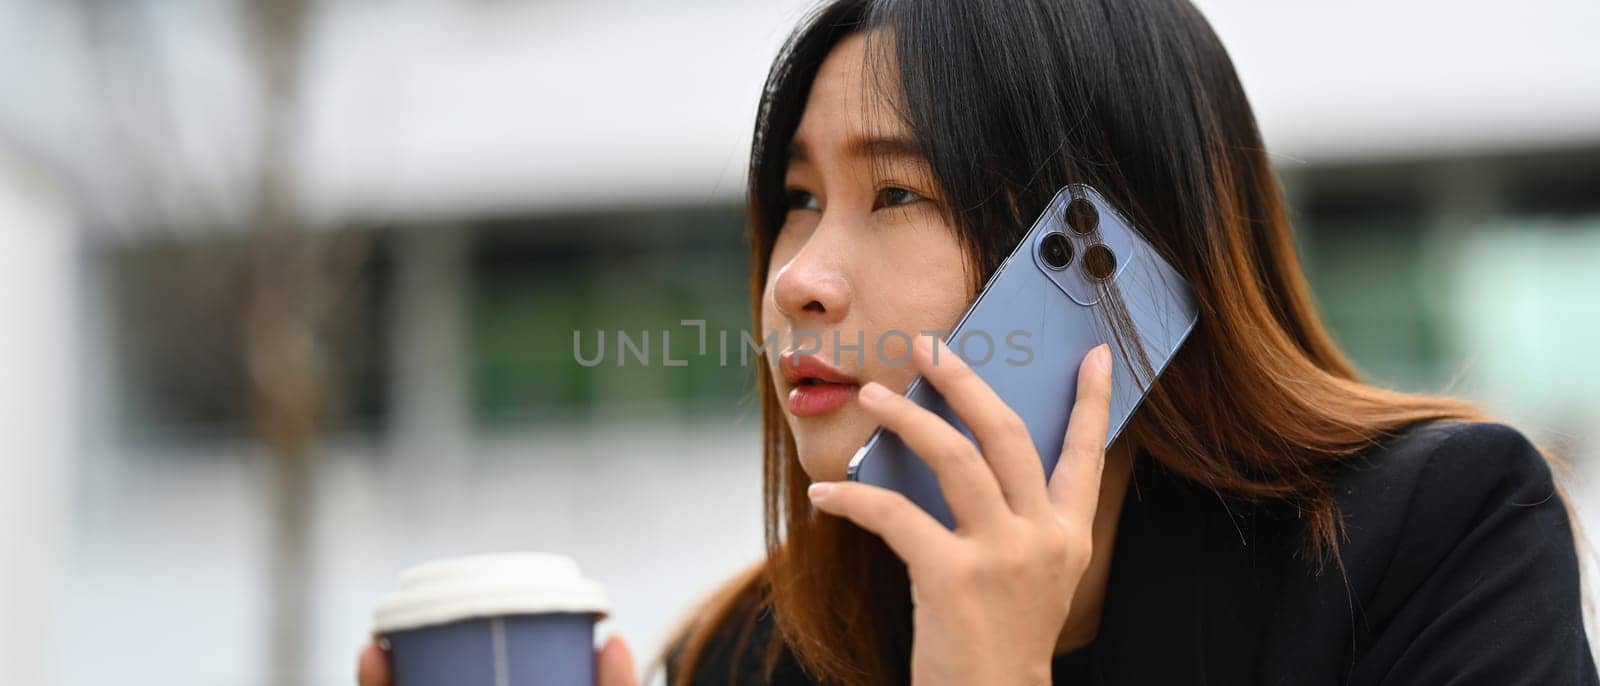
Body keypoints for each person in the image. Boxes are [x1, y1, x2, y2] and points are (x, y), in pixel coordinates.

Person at [359, 0, 1599, 684]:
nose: (796, 276)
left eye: (895, 194)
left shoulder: (1433, 539)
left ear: (1109, 259)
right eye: (796, 197)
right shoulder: (743, 659)